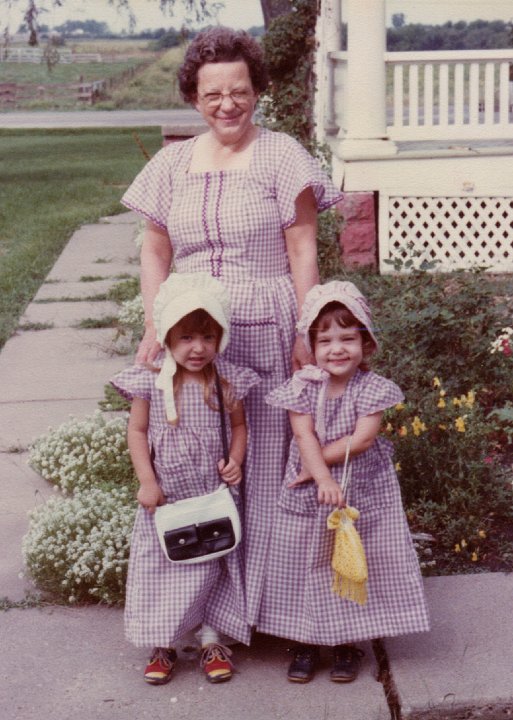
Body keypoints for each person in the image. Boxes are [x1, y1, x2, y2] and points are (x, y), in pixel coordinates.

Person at [120, 26, 343, 626]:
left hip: (266, 325)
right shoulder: (171, 164)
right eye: (213, 93)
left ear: (257, 90)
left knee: (269, 463)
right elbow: (155, 251)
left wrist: (307, 328)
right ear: (194, 96)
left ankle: (283, 612)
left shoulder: (282, 155)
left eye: (240, 90)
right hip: (194, 336)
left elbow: (301, 250)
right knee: (199, 468)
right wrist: (153, 323)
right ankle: (208, 615)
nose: (228, 104)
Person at [257, 280, 430, 683]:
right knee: (304, 561)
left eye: (348, 338)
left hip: (359, 492)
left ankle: (347, 643)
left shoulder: (371, 389)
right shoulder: (303, 387)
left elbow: (362, 439)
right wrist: (317, 476)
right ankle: (302, 642)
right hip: (310, 492)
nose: (337, 349)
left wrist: (315, 469)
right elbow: (304, 436)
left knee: (349, 564)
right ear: (311, 347)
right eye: (326, 340)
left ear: (366, 343)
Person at [110, 272, 259, 685]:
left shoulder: (223, 381)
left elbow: (240, 427)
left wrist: (235, 459)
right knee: (165, 570)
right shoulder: (154, 383)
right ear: (168, 338)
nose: (198, 348)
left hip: (211, 494)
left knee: (214, 565)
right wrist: (146, 481)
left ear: (220, 338)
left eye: (207, 338)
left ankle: (212, 639)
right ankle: (165, 643)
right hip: (169, 496)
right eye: (187, 338)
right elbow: (138, 432)